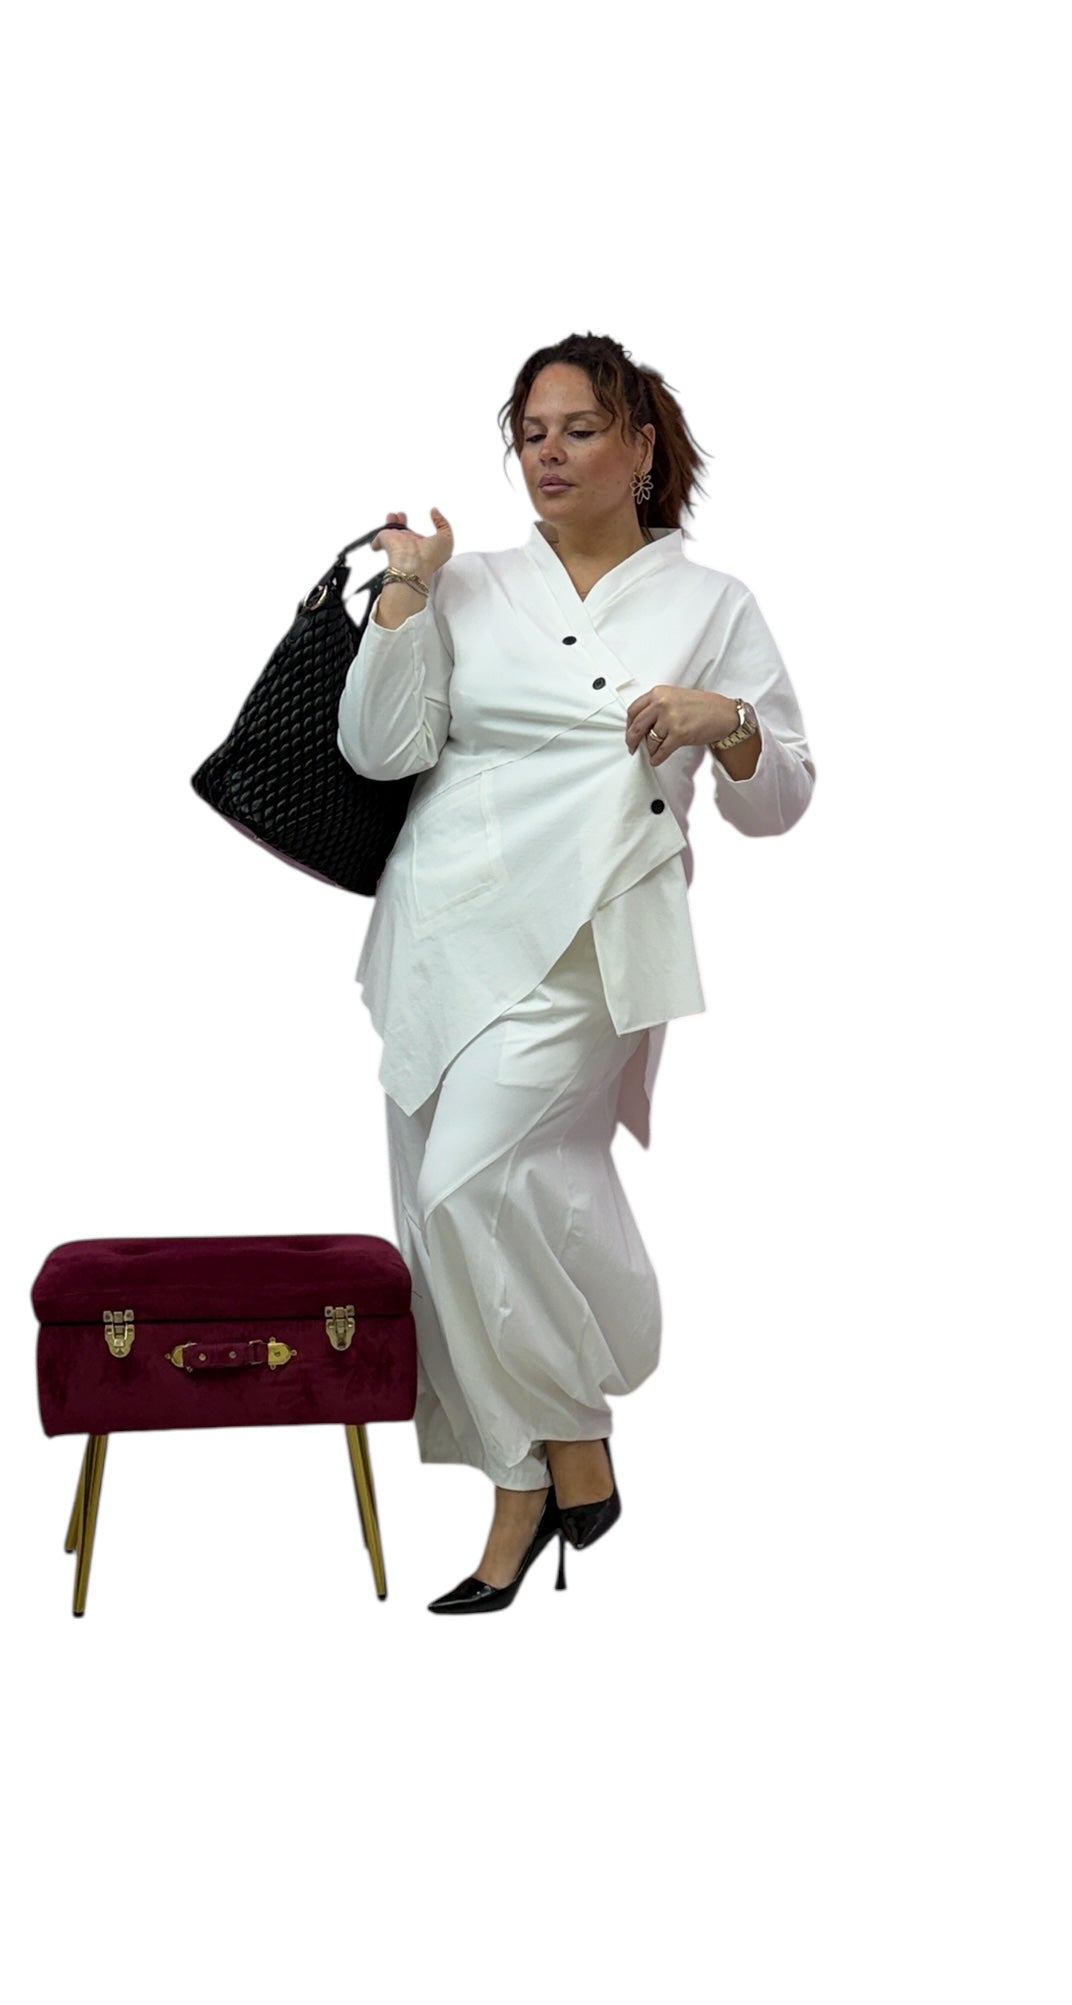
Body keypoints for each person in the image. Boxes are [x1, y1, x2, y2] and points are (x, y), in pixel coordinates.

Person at [335, 332, 815, 1614]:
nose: (548, 454)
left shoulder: (711, 605)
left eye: (580, 430)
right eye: (531, 433)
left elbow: (781, 801)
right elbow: (382, 751)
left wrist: (731, 724)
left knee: (468, 1186)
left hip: (591, 940)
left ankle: (565, 1439)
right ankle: (527, 1481)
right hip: (443, 926)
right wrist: (404, 599)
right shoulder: (473, 583)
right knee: (442, 1216)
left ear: (641, 446)